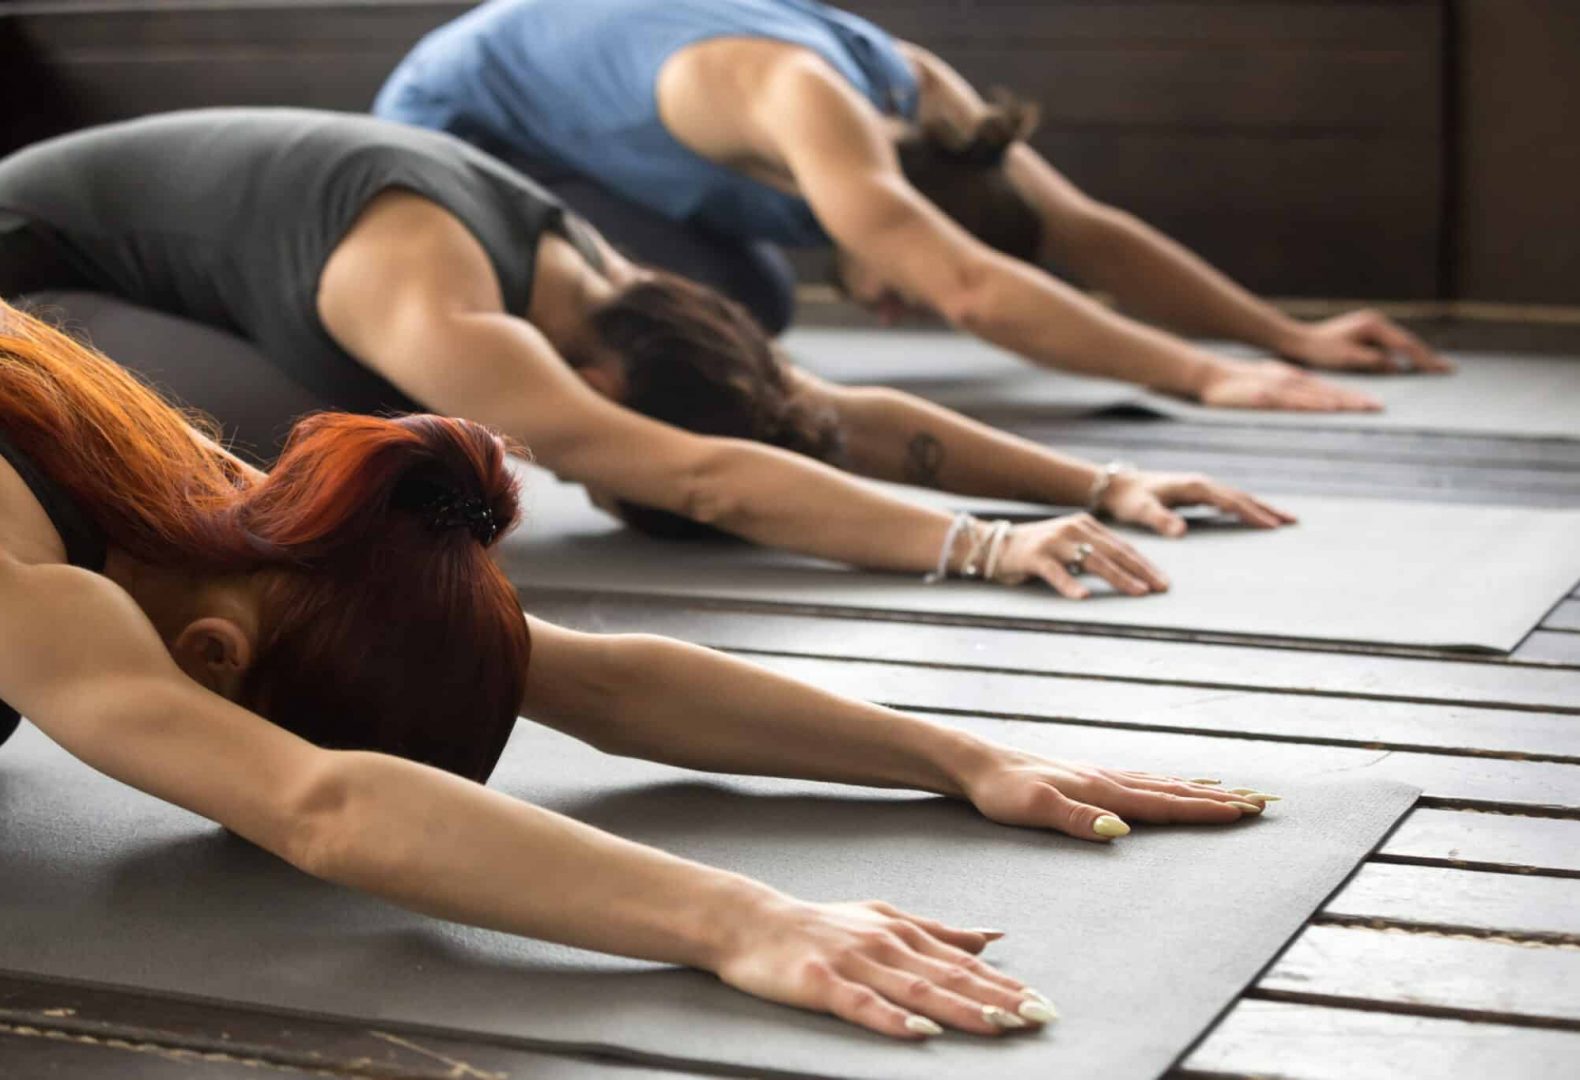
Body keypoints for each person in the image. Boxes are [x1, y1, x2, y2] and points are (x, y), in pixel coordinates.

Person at [0, 301, 1275, 1039]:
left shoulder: (221, 510)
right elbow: (316, 800)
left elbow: (588, 678)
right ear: (212, 664)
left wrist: (960, 756)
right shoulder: (47, 583)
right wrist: (739, 918)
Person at [0, 108, 1293, 604]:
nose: (605, 487)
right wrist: (983, 545)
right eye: (607, 469)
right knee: (343, 450)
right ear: (604, 383)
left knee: (415, 428)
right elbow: (705, 475)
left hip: (142, 258)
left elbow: (811, 407)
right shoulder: (445, 306)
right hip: (24, 288)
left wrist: (1094, 484)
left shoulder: (599, 276)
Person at [374, 0, 1450, 410]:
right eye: (908, 282)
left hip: (590, 129)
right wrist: (1207, 377)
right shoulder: (805, 102)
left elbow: (1083, 233)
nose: (903, 308)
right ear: (902, 215)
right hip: (454, 124)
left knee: (750, 306)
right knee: (690, 334)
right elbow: (976, 287)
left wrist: (1285, 336)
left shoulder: (936, 107)